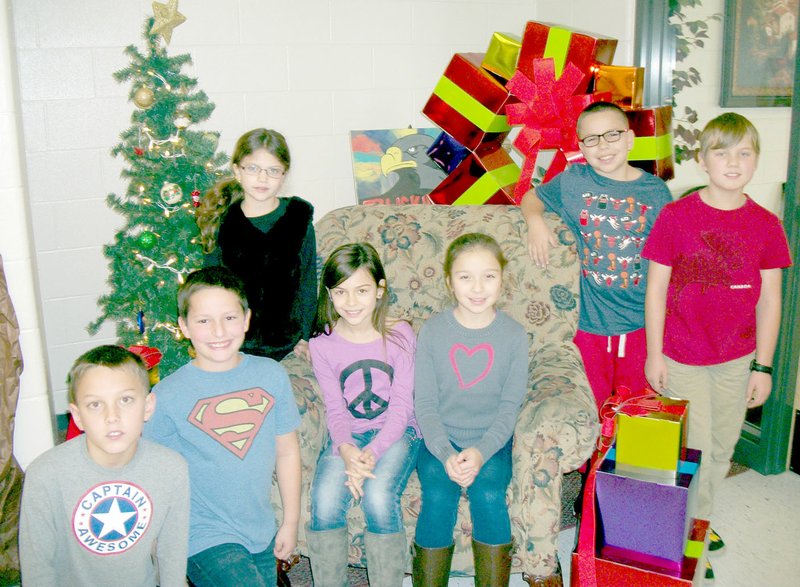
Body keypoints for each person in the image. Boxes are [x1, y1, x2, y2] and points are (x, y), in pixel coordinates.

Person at [643, 112, 791, 582]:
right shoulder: (676, 216)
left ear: (756, 162)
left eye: (744, 152)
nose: (733, 162)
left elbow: (771, 301)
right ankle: (691, 539)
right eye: (721, 152)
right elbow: (656, 290)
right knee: (698, 451)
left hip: (736, 359)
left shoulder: (767, 225)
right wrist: (653, 353)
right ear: (703, 160)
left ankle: (699, 519)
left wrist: (763, 367)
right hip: (682, 355)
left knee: (723, 450)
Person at [144, 266, 302, 587]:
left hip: (258, 529)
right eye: (203, 321)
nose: (218, 331)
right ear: (184, 327)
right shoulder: (167, 394)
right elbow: (151, 472)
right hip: (201, 535)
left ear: (246, 318)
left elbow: (287, 452)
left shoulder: (271, 375)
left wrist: (290, 522)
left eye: (229, 318)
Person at [520, 101, 672, 409]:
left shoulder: (656, 193)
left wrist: (659, 348)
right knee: (589, 410)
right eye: (591, 139)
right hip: (591, 325)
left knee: (638, 414)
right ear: (580, 146)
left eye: (612, 135)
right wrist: (535, 222)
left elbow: (667, 267)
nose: (602, 146)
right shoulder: (574, 181)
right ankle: (590, 459)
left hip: (641, 324)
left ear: (629, 139)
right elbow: (531, 197)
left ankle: (630, 460)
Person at [412, 233, 529, 587]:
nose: (478, 287)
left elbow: (510, 408)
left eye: (489, 276)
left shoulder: (514, 335)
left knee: (489, 493)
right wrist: (446, 452)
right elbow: (425, 404)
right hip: (439, 441)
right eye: (465, 277)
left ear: (502, 279)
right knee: (437, 495)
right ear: (449, 281)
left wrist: (480, 452)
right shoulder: (432, 332)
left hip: (490, 442)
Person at [19, 345, 189, 586]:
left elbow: (172, 556)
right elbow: (37, 570)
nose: (112, 416)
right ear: (77, 417)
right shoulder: (45, 475)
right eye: (96, 405)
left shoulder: (172, 469)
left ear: (148, 406)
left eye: (126, 400)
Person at [306, 242, 420, 587]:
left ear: (380, 290)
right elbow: (335, 408)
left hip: (399, 432)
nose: (351, 302)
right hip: (350, 436)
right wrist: (346, 451)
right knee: (324, 501)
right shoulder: (321, 344)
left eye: (362, 290)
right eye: (340, 292)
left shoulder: (399, 336)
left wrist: (370, 455)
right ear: (329, 293)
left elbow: (401, 408)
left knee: (378, 495)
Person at [196, 128, 316, 362]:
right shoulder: (221, 220)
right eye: (253, 168)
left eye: (273, 171)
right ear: (237, 171)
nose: (263, 179)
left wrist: (306, 337)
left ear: (284, 175)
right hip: (234, 343)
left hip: (286, 343)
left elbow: (308, 281)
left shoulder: (298, 217)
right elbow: (211, 289)